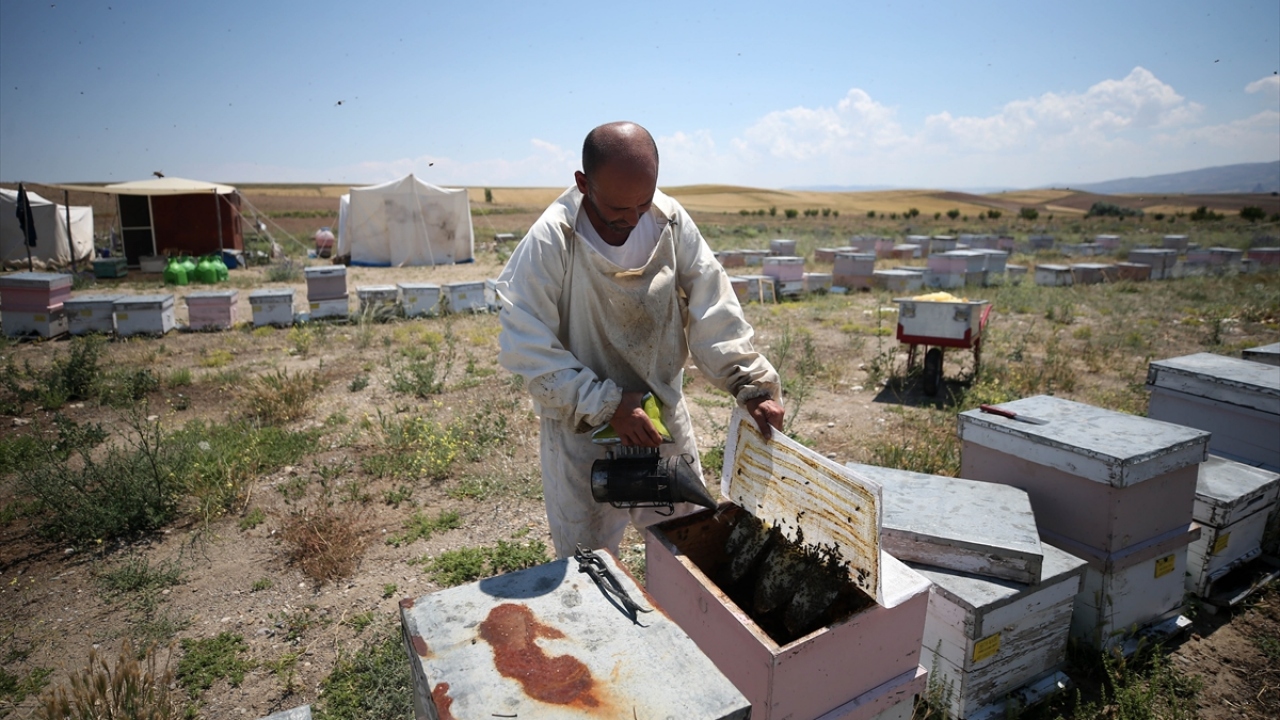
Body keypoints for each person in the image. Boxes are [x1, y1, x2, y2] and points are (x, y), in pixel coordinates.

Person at [496, 121, 785, 558]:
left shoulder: (669, 220)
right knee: (588, 565)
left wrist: (750, 384)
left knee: (689, 547)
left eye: (643, 203)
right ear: (583, 184)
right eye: (617, 208)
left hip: (661, 417)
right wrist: (609, 404)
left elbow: (712, 305)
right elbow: (525, 342)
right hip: (582, 426)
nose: (632, 219)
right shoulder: (553, 237)